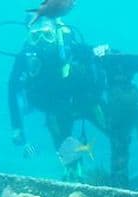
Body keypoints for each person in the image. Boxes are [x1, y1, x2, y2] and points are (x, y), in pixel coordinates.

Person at [8, 18, 109, 156]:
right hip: (55, 110)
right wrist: (17, 127)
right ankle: (73, 172)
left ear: (56, 33)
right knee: (66, 154)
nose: (41, 41)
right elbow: (13, 89)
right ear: (29, 37)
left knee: (116, 129)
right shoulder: (24, 57)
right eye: (35, 37)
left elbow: (88, 51)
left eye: (47, 35)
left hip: (86, 101)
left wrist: (102, 50)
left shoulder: (68, 47)